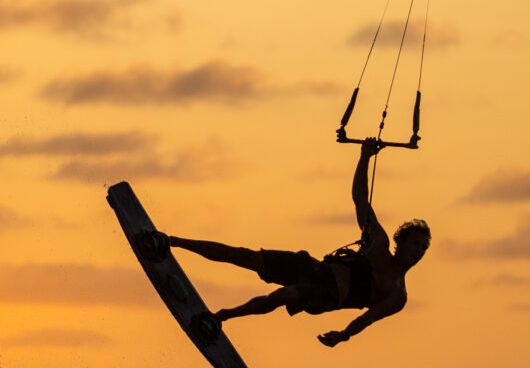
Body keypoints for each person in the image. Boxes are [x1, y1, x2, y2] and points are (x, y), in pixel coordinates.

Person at [163, 139, 429, 347]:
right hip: (314, 269)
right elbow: (360, 197)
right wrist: (364, 156)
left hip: (326, 296)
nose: (418, 251)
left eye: (423, 248)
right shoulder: (378, 244)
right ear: (401, 241)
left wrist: (344, 335)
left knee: (284, 296)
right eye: (415, 244)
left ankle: (219, 317)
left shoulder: (397, 295)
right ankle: (172, 241)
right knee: (247, 256)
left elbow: (368, 318)